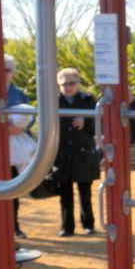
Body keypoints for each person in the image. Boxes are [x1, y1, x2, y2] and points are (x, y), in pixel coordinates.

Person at [53, 68, 99, 237]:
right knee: (65, 195)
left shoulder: (88, 100)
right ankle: (67, 226)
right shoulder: (53, 100)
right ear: (58, 84)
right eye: (64, 83)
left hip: (82, 153)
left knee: (85, 193)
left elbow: (99, 124)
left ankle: (88, 224)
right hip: (62, 153)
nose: (68, 87)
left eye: (72, 83)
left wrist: (85, 122)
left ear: (78, 83)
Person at [3, 54, 33, 238]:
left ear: (13, 73)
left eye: (7, 70)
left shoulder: (20, 94)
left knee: (13, 189)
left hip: (16, 151)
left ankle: (13, 225)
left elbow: (31, 116)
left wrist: (19, 129)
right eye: (0, 69)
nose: (4, 73)